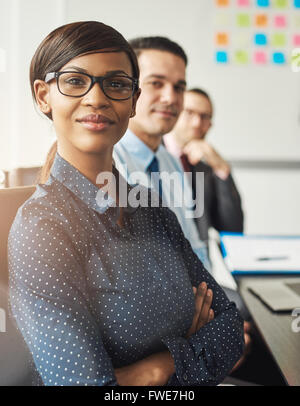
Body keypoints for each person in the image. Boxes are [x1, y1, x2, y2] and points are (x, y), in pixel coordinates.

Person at [8, 21, 244, 386]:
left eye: (116, 84)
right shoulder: (43, 227)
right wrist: (188, 346)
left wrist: (158, 367)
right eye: (75, 81)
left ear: (132, 102)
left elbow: (228, 330)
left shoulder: (150, 208)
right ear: (43, 96)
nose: (97, 98)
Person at [113, 37, 210, 271]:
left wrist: (211, 297)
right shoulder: (108, 160)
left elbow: (193, 245)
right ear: (128, 87)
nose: (170, 98)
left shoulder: (170, 161)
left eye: (179, 87)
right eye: (156, 83)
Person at [164, 88, 244, 248]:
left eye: (204, 117)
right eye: (190, 113)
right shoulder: (151, 154)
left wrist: (222, 169)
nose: (197, 123)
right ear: (175, 111)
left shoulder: (205, 170)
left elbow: (233, 229)